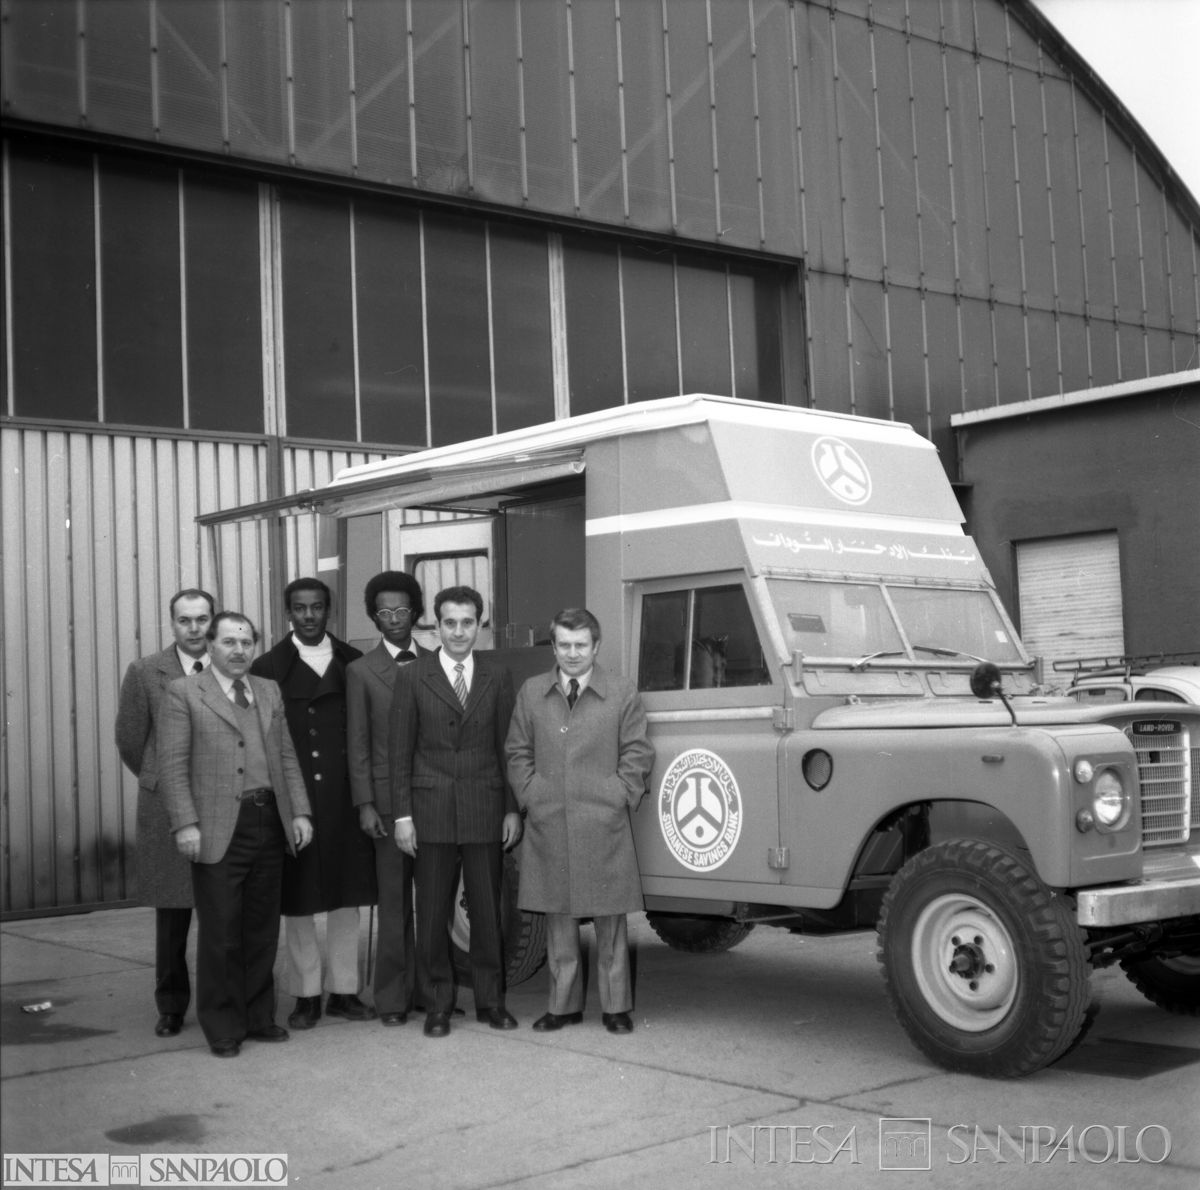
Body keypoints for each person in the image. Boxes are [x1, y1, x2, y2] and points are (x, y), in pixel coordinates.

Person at [158, 611, 313, 1057]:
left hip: (269, 821)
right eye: (229, 642)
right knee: (222, 930)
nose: (239, 650)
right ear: (210, 645)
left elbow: (286, 757)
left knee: (262, 928)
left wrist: (299, 812)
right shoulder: (184, 693)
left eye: (246, 643)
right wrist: (185, 823)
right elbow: (172, 765)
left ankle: (259, 1015)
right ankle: (223, 1025)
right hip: (217, 828)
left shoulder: (268, 690)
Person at [506, 608, 654, 1035]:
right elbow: (517, 750)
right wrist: (532, 793)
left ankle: (616, 1007)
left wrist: (617, 796)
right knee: (558, 919)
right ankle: (563, 1006)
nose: (573, 654)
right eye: (565, 645)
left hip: (602, 821)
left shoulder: (622, 692)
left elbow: (638, 753)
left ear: (596, 646)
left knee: (609, 920)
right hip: (550, 820)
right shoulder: (533, 692)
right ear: (553, 647)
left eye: (581, 645)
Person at [389, 585, 522, 1037]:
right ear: (435, 625)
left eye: (468, 622)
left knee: (488, 912)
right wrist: (402, 816)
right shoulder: (412, 677)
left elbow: (508, 747)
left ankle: (491, 1002)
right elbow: (399, 752)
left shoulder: (497, 675)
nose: (459, 631)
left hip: (485, 808)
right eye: (450, 622)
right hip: (430, 813)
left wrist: (511, 809)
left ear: (480, 625)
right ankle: (438, 1005)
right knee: (431, 915)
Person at [250, 578, 376, 1030]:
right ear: (288, 611)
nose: (308, 616)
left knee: (347, 896)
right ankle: (305, 994)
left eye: (317, 607)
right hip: (295, 796)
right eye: (300, 608)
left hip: (344, 798)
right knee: (298, 900)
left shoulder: (353, 662)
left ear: (329, 611)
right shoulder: (266, 667)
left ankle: (344, 990)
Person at [115, 588, 214, 1038]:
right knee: (173, 912)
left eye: (201, 619)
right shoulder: (145, 671)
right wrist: (160, 778)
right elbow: (131, 741)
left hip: (220, 801)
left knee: (223, 908)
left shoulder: (231, 662)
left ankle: (225, 999)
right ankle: (171, 1005)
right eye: (185, 620)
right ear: (172, 624)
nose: (194, 629)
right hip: (166, 807)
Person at [346, 571, 427, 1026]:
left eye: (402, 610)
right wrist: (365, 804)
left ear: (416, 611)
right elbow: (357, 743)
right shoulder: (360, 671)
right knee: (393, 904)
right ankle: (392, 999)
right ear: (374, 618)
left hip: (434, 797)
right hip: (386, 806)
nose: (394, 619)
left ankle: (432, 992)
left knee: (431, 902)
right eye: (384, 612)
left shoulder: (436, 662)